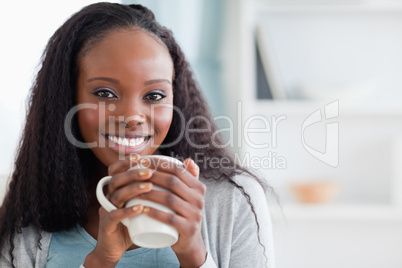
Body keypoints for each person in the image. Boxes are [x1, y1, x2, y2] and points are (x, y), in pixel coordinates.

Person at [0, 2, 275, 268]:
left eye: (154, 95)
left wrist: (194, 255)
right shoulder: (30, 213)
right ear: (67, 99)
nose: (132, 116)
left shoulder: (232, 200)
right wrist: (101, 262)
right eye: (105, 94)